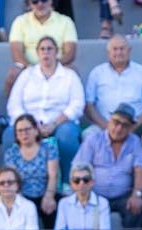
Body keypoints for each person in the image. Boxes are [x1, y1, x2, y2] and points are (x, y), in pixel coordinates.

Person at [73, 104, 142, 230]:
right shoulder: (94, 139)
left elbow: (140, 171)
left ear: (131, 127)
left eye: (124, 125)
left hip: (122, 195)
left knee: (136, 210)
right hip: (95, 193)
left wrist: (137, 194)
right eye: (115, 122)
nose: (118, 128)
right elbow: (79, 167)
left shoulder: (135, 143)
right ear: (109, 120)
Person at [6, 36, 84, 183]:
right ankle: (13, 182)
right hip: (30, 123)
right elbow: (13, 104)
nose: (46, 52)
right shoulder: (27, 75)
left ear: (56, 52)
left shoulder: (69, 76)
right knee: (9, 134)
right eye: (42, 49)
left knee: (67, 134)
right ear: (37, 53)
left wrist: (54, 124)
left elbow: (77, 105)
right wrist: (32, 125)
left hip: (61, 123)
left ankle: (68, 181)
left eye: (50, 49)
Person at [84, 36, 142, 136]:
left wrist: (139, 122)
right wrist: (105, 125)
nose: (119, 52)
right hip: (104, 126)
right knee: (88, 134)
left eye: (122, 49)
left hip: (136, 126)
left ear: (129, 51)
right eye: (115, 49)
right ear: (108, 53)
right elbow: (89, 105)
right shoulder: (97, 73)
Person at [3, 113, 58, 230]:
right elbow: (13, 181)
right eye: (20, 131)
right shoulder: (12, 153)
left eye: (27, 129)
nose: (24, 134)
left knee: (52, 208)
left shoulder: (48, 148)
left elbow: (53, 175)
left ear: (35, 130)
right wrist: (23, 203)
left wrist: (49, 196)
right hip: (22, 195)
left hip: (45, 192)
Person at [4, 0, 77, 93]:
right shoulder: (20, 21)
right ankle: (12, 107)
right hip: (27, 67)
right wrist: (31, 68)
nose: (40, 4)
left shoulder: (66, 21)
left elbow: (70, 53)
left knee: (73, 71)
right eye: (35, 1)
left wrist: (52, 66)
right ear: (29, 4)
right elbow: (16, 52)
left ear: (51, 1)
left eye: (44, 0)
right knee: (12, 74)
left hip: (58, 66)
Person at [50, 162, 111, 230]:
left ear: (92, 182)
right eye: (77, 180)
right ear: (71, 184)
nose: (81, 183)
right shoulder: (64, 203)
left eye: (86, 179)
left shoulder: (102, 203)